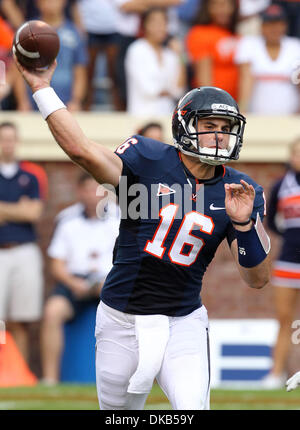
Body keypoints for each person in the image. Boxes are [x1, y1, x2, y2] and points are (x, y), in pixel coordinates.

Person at [14, 48, 271, 408]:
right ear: (184, 125)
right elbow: (82, 150)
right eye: (209, 126)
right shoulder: (149, 158)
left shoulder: (240, 190)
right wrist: (41, 87)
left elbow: (257, 279)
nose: (218, 136)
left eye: (225, 129)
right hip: (121, 319)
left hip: (183, 322)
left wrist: (243, 223)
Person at [41, 172, 119, 385]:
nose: (93, 195)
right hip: (75, 282)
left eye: (97, 189)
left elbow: (133, 260)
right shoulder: (66, 219)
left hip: (111, 282)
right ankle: (50, 379)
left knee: (138, 313)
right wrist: (74, 283)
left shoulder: (122, 217)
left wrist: (108, 282)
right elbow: (56, 264)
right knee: (52, 311)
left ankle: (135, 380)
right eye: (87, 189)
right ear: (79, 192)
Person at [0, 121, 45, 365]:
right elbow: (26, 211)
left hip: (24, 249)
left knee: (22, 319)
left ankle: (21, 375)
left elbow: (34, 213)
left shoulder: (31, 175)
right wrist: (19, 209)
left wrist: (4, 211)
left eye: (10, 139)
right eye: (3, 138)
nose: (7, 144)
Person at [261, 138, 300, 389]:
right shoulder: (281, 185)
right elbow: (271, 221)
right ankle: (276, 374)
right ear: (291, 155)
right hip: (288, 260)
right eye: (297, 153)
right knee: (285, 319)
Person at [235, 4, 300, 115]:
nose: (274, 29)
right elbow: (246, 79)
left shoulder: (295, 47)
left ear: (285, 25)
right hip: (257, 114)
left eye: (278, 24)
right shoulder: (249, 45)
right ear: (262, 27)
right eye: (269, 24)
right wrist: (242, 111)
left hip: (291, 115)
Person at [25, 0, 88, 111]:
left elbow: (80, 71)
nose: (50, 3)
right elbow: (18, 69)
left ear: (64, 2)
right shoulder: (28, 31)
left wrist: (76, 100)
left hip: (66, 103)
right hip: (34, 101)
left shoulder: (74, 32)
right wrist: (22, 101)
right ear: (38, 3)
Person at [125, 7, 186, 116]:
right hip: (141, 114)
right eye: (155, 22)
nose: (160, 27)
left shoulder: (170, 54)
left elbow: (178, 90)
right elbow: (148, 89)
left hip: (167, 114)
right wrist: (167, 91)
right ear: (145, 25)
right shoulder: (136, 49)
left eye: (164, 23)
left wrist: (180, 56)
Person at [186, 0, 240, 100]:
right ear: (208, 8)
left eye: (227, 5)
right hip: (215, 104)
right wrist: (211, 104)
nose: (223, 10)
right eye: (217, 5)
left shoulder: (236, 34)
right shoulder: (200, 33)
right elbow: (204, 77)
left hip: (236, 104)